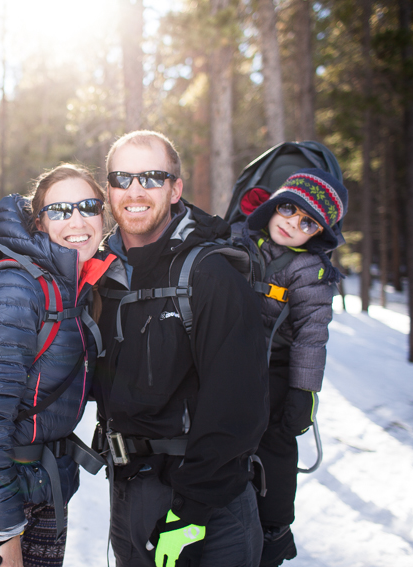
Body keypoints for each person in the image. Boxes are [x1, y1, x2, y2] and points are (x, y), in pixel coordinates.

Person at [91, 131, 270, 567]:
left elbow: (238, 407)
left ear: (175, 189)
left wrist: (191, 514)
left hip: (208, 510)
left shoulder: (210, 275)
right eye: (122, 178)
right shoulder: (101, 276)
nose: (135, 191)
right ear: (109, 189)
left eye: (152, 177)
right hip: (130, 496)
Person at [0, 164, 116, 567]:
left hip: (44, 486)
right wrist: (6, 538)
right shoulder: (16, 289)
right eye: (59, 210)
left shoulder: (75, 284)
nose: (77, 219)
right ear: (38, 221)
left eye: (88, 206)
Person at [238, 168, 348, 567]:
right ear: (273, 204)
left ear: (316, 233)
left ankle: (276, 527)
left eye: (307, 223)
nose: (292, 223)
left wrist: (304, 391)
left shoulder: (309, 270)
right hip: (234, 359)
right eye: (289, 209)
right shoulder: (242, 240)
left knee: (276, 440)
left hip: (278, 367)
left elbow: (312, 333)